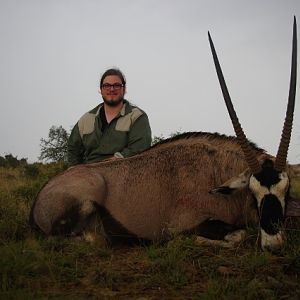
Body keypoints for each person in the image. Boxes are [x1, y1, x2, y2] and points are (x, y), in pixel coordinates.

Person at [67, 68, 152, 166]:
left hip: (123, 170)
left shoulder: (137, 116)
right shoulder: (86, 119)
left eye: (116, 85)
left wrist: (115, 161)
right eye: (107, 86)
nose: (111, 89)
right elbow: (73, 149)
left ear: (124, 89)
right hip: (89, 172)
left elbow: (139, 147)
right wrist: (75, 171)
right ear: (101, 90)